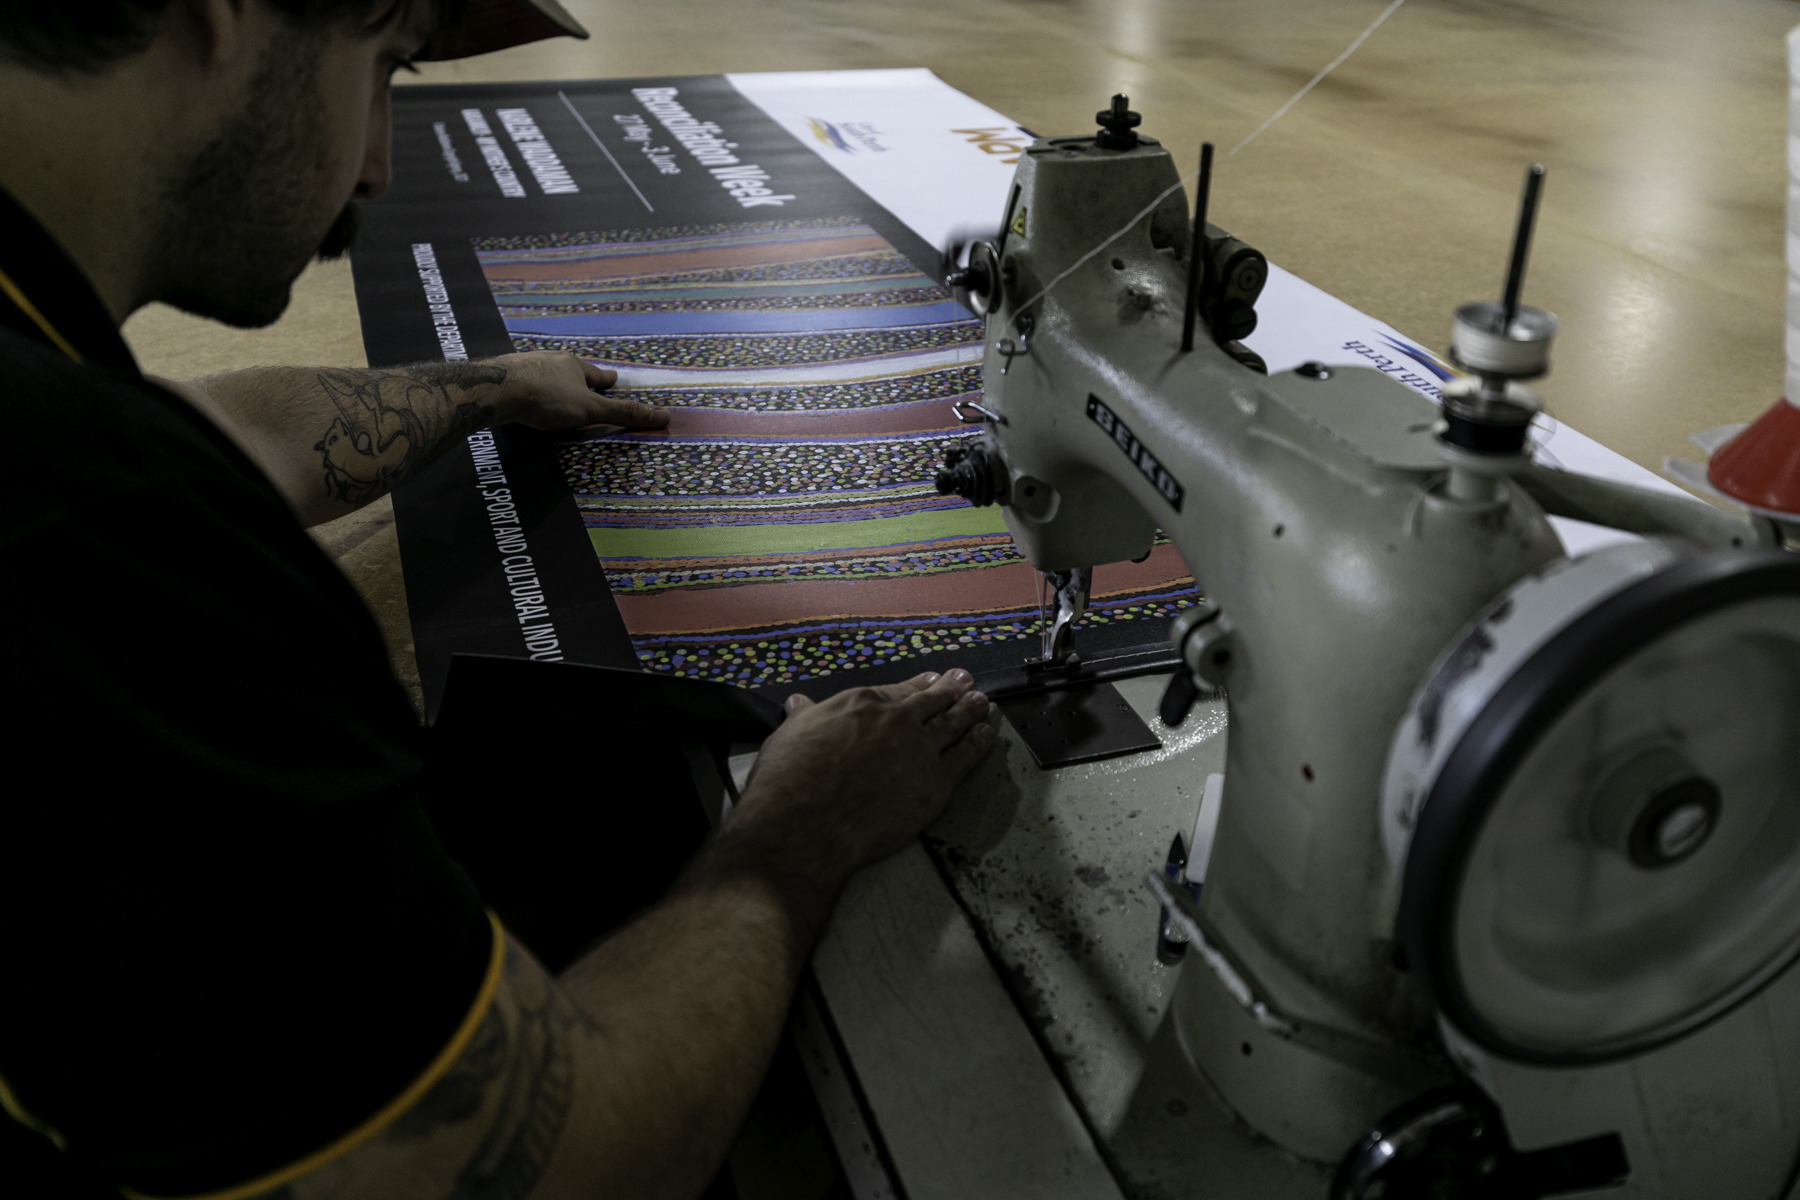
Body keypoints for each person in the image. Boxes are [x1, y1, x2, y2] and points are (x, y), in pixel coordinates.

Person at [0, 2, 997, 1198]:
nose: (376, 163)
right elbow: (559, 1161)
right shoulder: (103, 553)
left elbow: (217, 434)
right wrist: (791, 840)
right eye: (381, 67)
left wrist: (488, 386)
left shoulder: (49, 391)